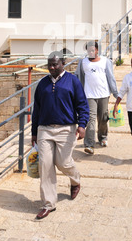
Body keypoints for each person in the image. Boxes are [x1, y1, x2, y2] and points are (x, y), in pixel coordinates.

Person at [31, 52, 89, 220]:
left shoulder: (73, 81)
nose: (51, 67)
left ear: (63, 63)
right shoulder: (42, 84)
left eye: (55, 64)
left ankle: (75, 180)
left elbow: (82, 105)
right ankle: (48, 204)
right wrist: (34, 132)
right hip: (45, 129)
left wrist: (82, 125)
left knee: (63, 162)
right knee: (45, 164)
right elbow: (37, 110)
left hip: (66, 129)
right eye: (49, 64)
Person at [75, 41, 118, 155]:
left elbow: (110, 77)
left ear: (97, 50)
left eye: (93, 50)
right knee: (90, 119)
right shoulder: (83, 63)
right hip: (89, 95)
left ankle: (103, 137)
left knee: (103, 118)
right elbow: (78, 77)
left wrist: (115, 92)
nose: (91, 52)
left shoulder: (105, 61)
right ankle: (89, 144)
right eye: (89, 51)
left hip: (104, 94)